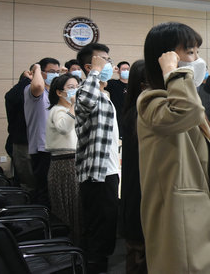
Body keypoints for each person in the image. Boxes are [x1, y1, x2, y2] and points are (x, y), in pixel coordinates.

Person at [137, 22, 210, 273]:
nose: (197, 59)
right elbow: (187, 111)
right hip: (177, 213)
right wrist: (173, 73)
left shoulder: (179, 98)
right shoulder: (152, 100)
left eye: (197, 51)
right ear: (166, 58)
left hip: (195, 207)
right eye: (190, 52)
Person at [74, 43, 120, 274]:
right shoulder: (84, 92)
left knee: (107, 224)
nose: (109, 64)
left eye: (109, 60)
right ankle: (95, 267)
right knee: (99, 229)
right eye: (103, 60)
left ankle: (98, 263)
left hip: (109, 169)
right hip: (97, 172)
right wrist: (95, 71)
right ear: (89, 66)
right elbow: (86, 100)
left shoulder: (103, 95)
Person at [45, 73, 81, 244]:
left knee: (76, 208)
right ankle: (69, 246)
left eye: (77, 87)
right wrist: (73, 105)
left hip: (72, 162)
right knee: (69, 210)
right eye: (71, 87)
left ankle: (75, 245)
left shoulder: (69, 110)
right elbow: (64, 127)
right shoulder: (58, 110)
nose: (76, 91)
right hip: (64, 165)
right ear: (59, 92)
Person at [120, 60, 148, 274]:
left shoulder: (133, 109)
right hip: (141, 194)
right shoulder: (143, 114)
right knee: (140, 256)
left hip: (136, 192)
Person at [24, 57, 60, 207]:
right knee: (44, 190)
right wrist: (37, 68)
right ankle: (42, 217)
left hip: (55, 147)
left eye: (57, 72)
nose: (55, 75)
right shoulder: (33, 90)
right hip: (42, 148)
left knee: (54, 190)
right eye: (51, 72)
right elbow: (38, 84)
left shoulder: (53, 94)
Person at [5, 70, 35, 191]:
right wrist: (27, 80)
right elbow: (11, 96)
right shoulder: (17, 94)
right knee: (28, 183)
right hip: (22, 143)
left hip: (35, 144)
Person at [105, 60, 130, 138]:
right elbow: (100, 83)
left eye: (128, 69)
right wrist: (110, 71)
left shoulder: (134, 85)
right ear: (118, 71)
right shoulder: (113, 83)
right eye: (123, 69)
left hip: (130, 118)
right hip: (117, 118)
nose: (126, 71)